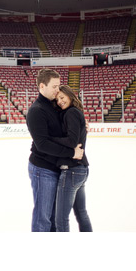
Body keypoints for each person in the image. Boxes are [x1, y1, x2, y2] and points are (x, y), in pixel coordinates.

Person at [26, 69, 81, 232]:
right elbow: (43, 144)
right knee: (43, 218)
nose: (58, 90)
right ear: (42, 86)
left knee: (54, 218)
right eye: (55, 86)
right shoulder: (36, 111)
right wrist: (71, 153)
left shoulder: (53, 105)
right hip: (42, 169)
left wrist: (81, 125)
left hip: (56, 168)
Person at [52, 85, 92, 232]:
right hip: (80, 170)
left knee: (61, 218)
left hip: (71, 170)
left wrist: (51, 139)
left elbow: (72, 141)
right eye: (57, 99)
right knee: (81, 213)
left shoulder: (71, 113)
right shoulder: (73, 112)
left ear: (70, 95)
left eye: (62, 97)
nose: (60, 101)